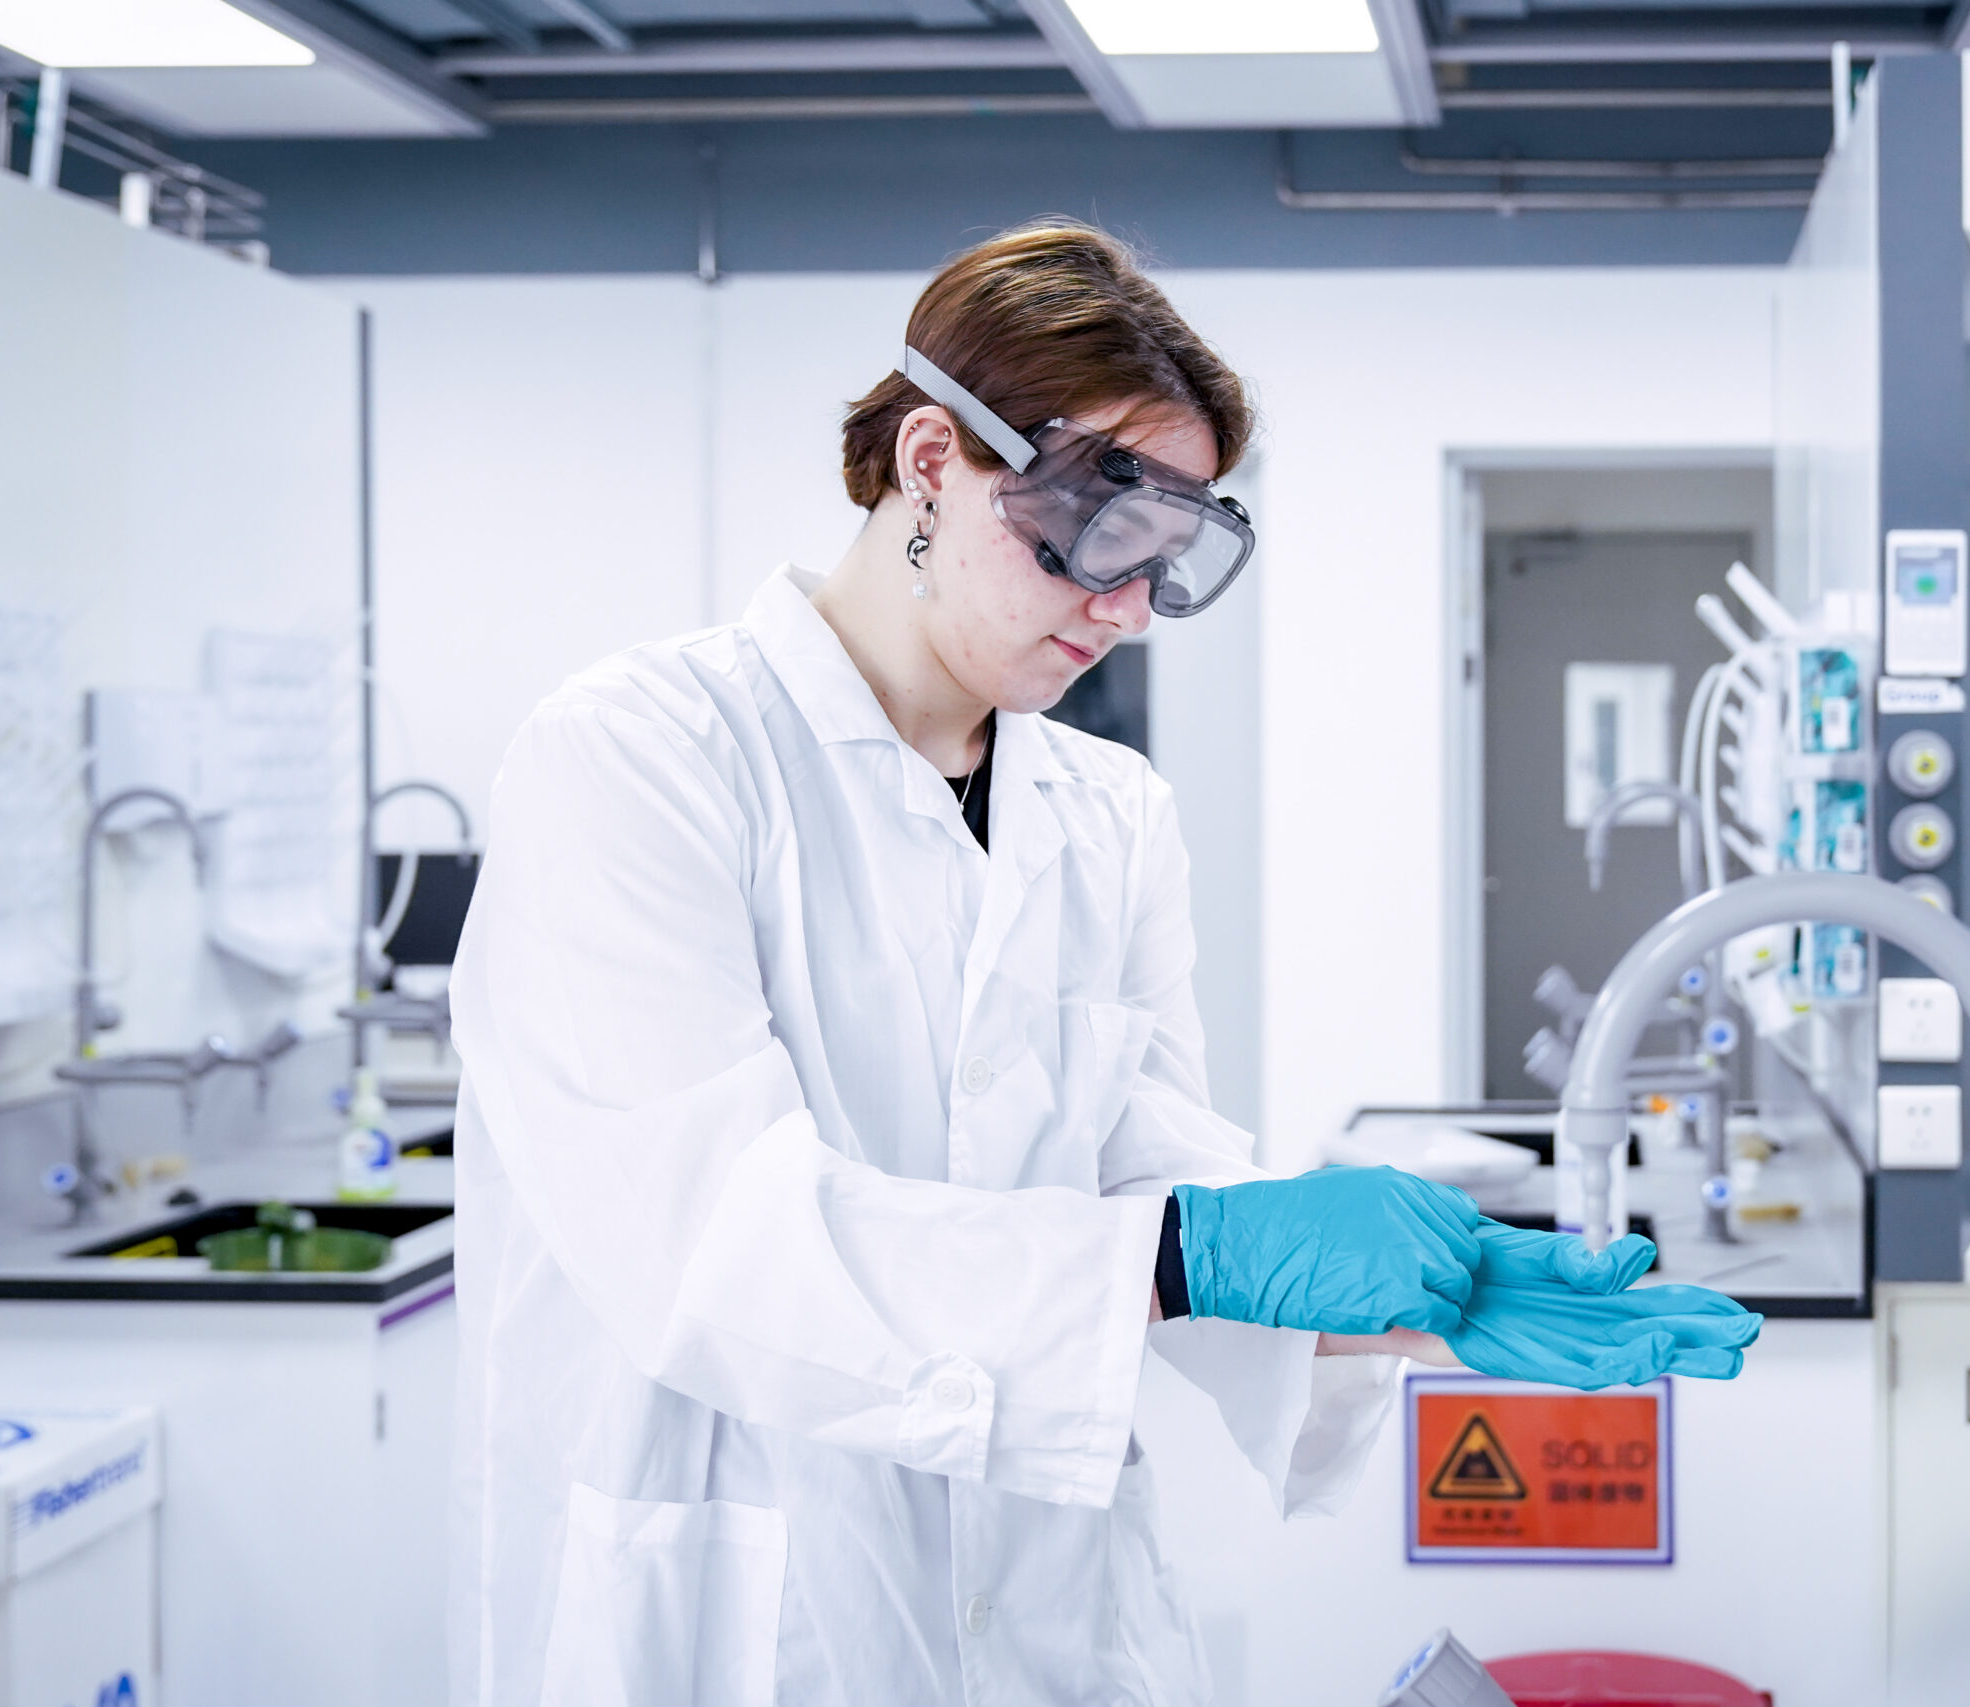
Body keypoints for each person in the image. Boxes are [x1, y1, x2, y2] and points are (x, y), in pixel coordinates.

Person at [448, 220, 1758, 1707]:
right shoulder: (638, 758)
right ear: (932, 462)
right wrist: (1198, 1253)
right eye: (1090, 539)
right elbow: (714, 1246)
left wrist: (1402, 1298)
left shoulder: (1108, 815)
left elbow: (1152, 1160)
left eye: (1167, 563)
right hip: (749, 1609)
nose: (1127, 612)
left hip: (1053, 1617)